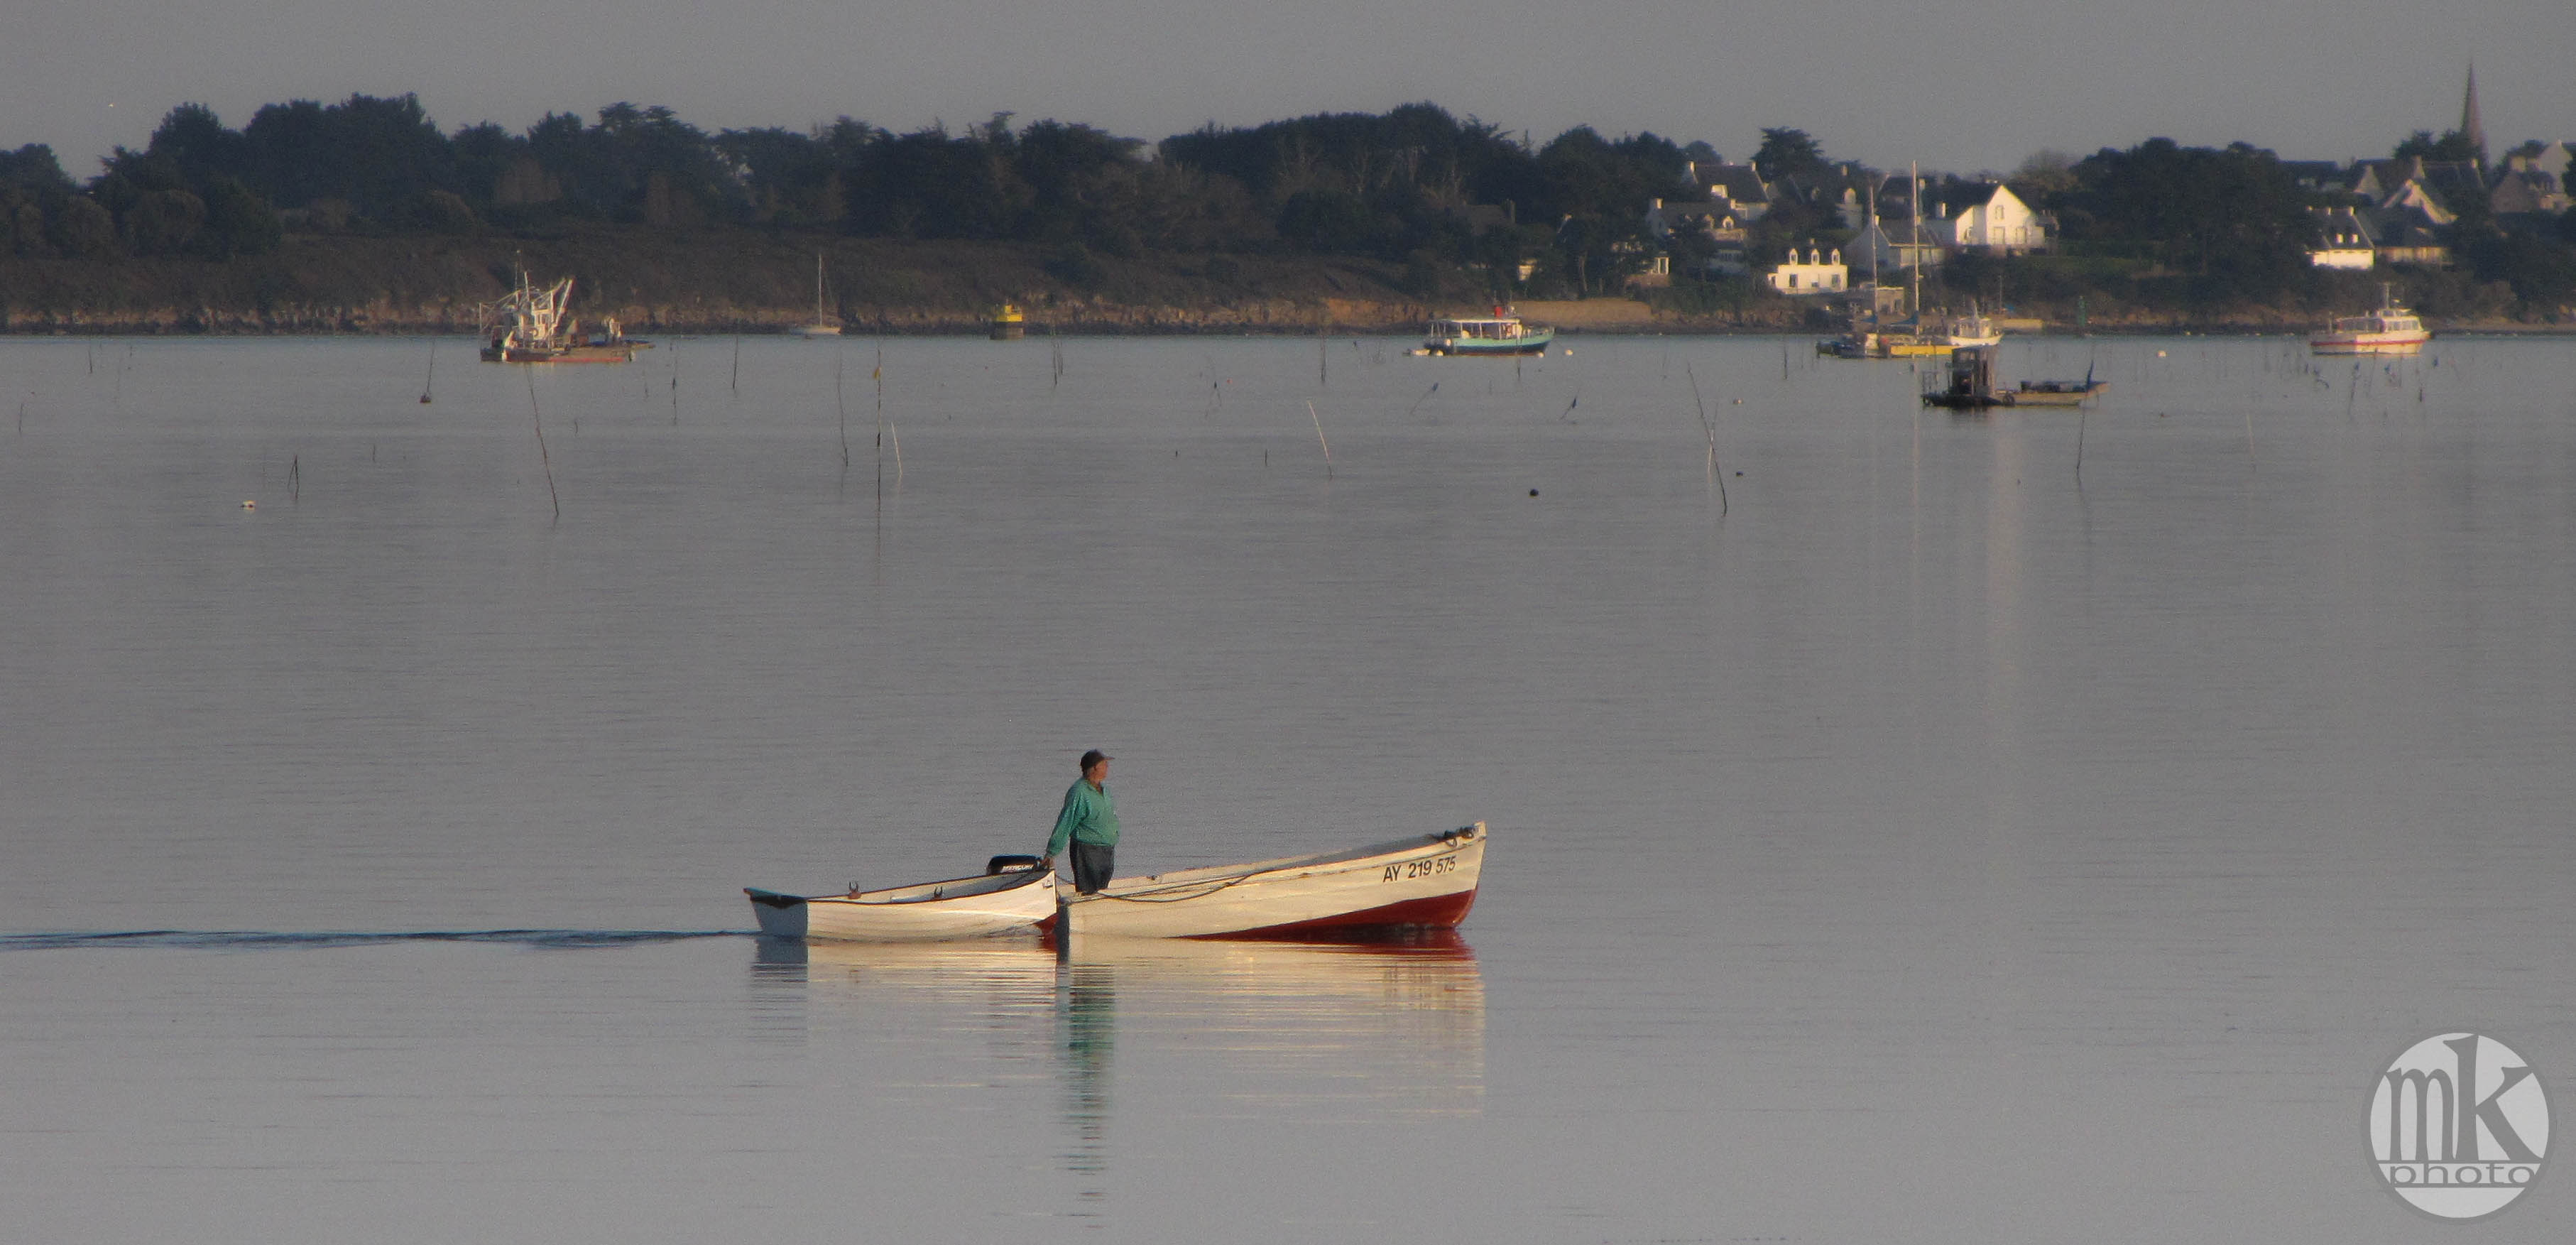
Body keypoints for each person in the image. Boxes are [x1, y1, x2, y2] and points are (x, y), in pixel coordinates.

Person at [1044, 749, 1119, 895]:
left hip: (1107, 849)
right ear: (1095, 767)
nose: (1107, 767)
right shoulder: (1079, 792)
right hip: (1087, 850)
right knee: (1089, 892)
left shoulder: (1104, 790)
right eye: (1104, 764)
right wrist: (1052, 853)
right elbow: (1066, 821)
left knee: (1102, 891)